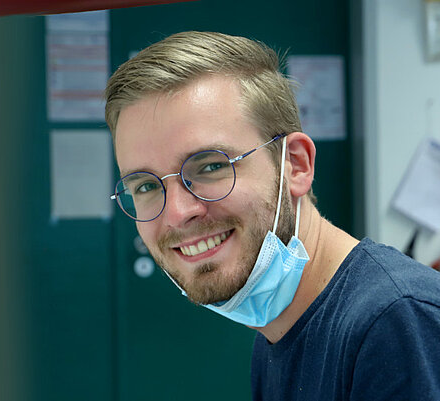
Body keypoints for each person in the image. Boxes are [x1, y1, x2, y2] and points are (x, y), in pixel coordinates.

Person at [105, 31, 440, 400]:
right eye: (146, 187)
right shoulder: (277, 330)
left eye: (211, 166)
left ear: (295, 164)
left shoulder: (396, 323)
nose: (179, 213)